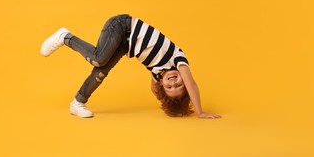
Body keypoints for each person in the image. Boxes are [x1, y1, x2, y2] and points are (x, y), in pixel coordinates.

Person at [41, 14, 221, 119]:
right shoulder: (178, 59)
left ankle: (77, 102)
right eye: (179, 85)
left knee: (101, 72)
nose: (173, 82)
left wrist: (166, 100)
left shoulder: (158, 73)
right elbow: (193, 85)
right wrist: (200, 112)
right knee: (99, 59)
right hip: (122, 27)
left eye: (170, 87)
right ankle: (66, 37)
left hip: (125, 44)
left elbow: (155, 90)